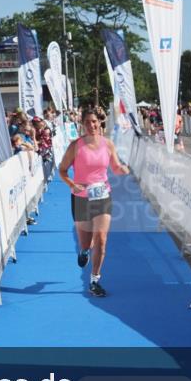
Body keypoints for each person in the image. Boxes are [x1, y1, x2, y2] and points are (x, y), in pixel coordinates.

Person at [58, 109, 131, 298]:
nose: (92, 125)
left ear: (100, 123)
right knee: (87, 242)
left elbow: (115, 167)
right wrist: (72, 185)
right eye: (88, 122)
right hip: (81, 197)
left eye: (95, 121)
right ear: (83, 124)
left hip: (102, 195)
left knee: (101, 238)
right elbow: (62, 170)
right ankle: (83, 251)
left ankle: (94, 280)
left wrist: (122, 169)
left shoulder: (108, 145)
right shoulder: (76, 146)